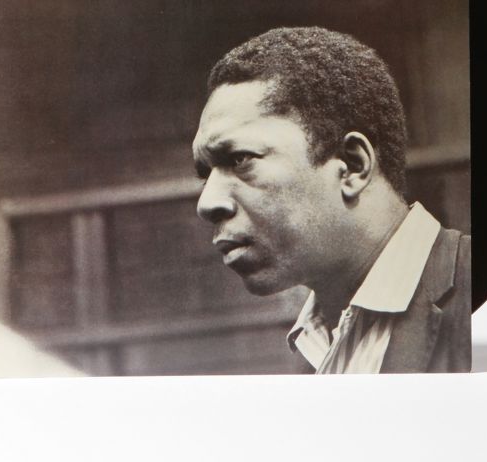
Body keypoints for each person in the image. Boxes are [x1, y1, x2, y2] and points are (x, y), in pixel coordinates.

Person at [192, 26, 471, 374]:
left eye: (239, 159)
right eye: (205, 174)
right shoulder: (313, 350)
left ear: (353, 165)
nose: (206, 203)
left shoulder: (485, 295)